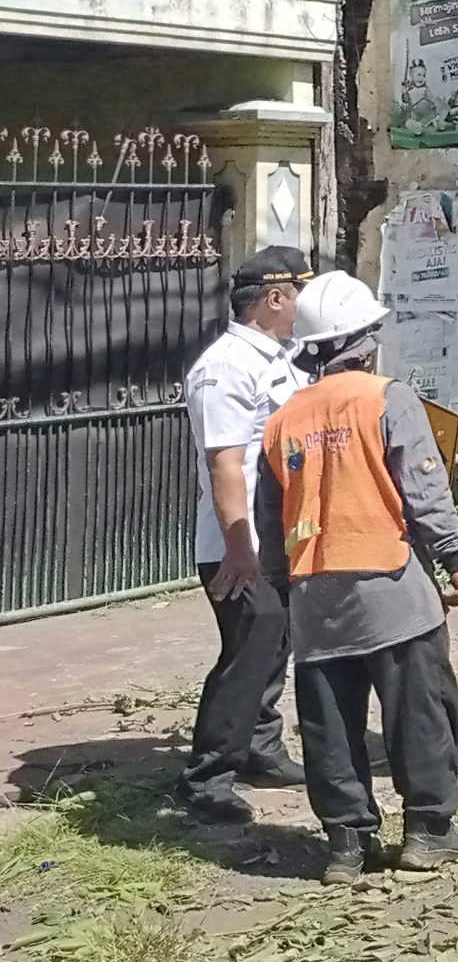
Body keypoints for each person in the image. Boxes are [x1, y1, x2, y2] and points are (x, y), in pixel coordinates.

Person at [254, 271, 458, 882]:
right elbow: (425, 490)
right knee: (421, 711)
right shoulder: (388, 398)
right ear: (364, 339)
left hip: (316, 599)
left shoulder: (283, 420)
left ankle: (346, 845)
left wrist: (283, 583)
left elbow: (269, 515)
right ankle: (430, 830)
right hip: (392, 590)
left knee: (330, 725)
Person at [180, 246, 312, 824]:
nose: (305, 306)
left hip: (277, 534)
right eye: (299, 293)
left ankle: (260, 747)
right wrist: (239, 549)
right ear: (275, 298)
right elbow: (225, 463)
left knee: (276, 641)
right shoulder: (227, 365)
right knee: (250, 646)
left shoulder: (280, 359)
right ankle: (206, 777)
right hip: (239, 543)